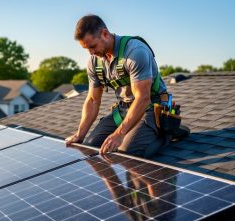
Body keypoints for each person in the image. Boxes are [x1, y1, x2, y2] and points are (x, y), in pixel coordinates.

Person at [66, 14, 169, 158]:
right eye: (86, 49)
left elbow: (143, 98)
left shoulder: (135, 52)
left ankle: (166, 134)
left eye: (93, 46)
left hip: (151, 107)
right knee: (90, 148)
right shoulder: (94, 61)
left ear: (105, 34)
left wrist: (119, 134)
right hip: (123, 109)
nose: (91, 53)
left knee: (126, 152)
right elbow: (93, 100)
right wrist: (80, 134)